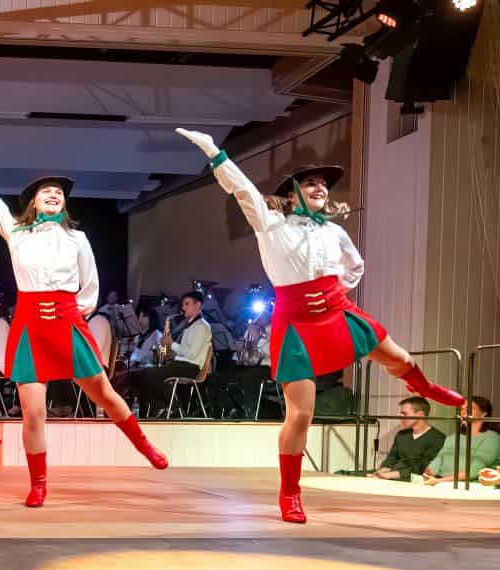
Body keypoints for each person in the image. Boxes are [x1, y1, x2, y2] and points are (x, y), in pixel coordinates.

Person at [177, 127, 464, 523]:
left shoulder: (335, 231)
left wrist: (335, 292)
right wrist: (214, 152)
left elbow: (356, 267)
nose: (320, 188)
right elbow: (242, 189)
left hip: (335, 310)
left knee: (398, 357)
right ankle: (290, 493)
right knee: (300, 415)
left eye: (324, 184)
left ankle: (424, 387)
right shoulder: (271, 223)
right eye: (310, 183)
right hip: (295, 322)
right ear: (292, 194)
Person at [0, 133, 167, 507]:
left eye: (59, 192)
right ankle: (39, 484)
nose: (54, 194)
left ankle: (144, 445)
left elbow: (90, 286)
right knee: (33, 413)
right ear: (32, 201)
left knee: (104, 392)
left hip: (66, 318)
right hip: (30, 324)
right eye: (46, 191)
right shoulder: (17, 233)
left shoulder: (78, 238)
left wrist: (74, 313)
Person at [128, 291, 212, 415]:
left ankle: (174, 407)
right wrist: (171, 353)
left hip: (191, 367)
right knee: (139, 376)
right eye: (183, 304)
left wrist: (171, 343)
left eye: (187, 304)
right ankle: (154, 409)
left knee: (149, 375)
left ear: (197, 305)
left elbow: (191, 354)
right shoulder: (190, 326)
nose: (183, 308)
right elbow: (184, 351)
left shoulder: (202, 327)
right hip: (182, 365)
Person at [423, 396, 499, 485]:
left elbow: (474, 471)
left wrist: (438, 481)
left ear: (484, 413)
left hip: (472, 485)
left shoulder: (492, 438)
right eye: (462, 409)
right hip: (442, 482)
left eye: (469, 408)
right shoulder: (453, 437)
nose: (464, 412)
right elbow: (438, 460)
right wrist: (427, 475)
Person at [368, 397, 445, 481]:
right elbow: (391, 459)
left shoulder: (438, 438)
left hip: (416, 481)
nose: (401, 417)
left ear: (420, 415)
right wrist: (380, 472)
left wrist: (393, 474)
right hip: (393, 477)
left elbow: (423, 467)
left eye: (404, 414)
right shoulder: (402, 435)